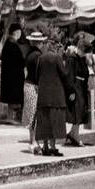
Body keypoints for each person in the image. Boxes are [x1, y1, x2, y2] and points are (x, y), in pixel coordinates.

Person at [31, 29, 72, 157]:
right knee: (55, 121)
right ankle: (53, 147)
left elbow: (37, 76)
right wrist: (69, 90)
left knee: (44, 121)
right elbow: (64, 75)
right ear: (55, 45)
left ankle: (45, 146)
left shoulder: (41, 58)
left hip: (43, 95)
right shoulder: (57, 58)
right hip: (56, 96)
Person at [64, 34, 91, 147]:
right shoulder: (72, 59)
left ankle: (72, 134)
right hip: (75, 88)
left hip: (81, 87)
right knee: (77, 112)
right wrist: (71, 91)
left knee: (80, 112)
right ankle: (75, 136)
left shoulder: (81, 59)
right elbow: (69, 76)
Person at [0, 23, 27, 123]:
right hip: (13, 76)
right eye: (19, 32)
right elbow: (18, 60)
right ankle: (10, 117)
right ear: (16, 32)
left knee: (12, 98)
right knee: (13, 98)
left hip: (10, 75)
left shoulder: (7, 43)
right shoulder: (12, 44)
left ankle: (11, 117)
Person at [22, 30, 43, 152]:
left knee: (31, 115)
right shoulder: (38, 56)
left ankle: (32, 140)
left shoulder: (29, 54)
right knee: (35, 115)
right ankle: (34, 141)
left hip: (27, 85)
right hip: (34, 86)